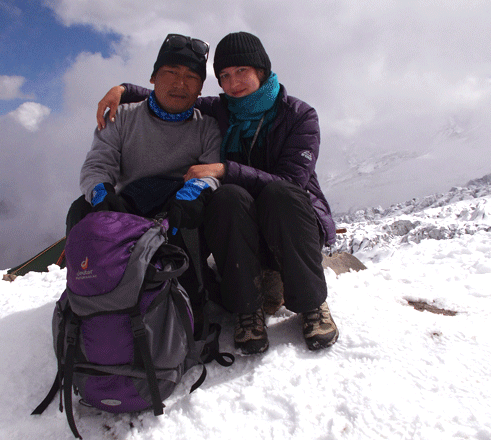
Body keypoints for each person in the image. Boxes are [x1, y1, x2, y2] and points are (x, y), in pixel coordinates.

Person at [96, 32, 339, 355]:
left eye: (241, 71)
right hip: (240, 228)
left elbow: (294, 180)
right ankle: (247, 310)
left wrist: (224, 169)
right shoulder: (220, 110)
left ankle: (312, 303)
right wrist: (123, 90)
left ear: (261, 71)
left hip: (289, 223)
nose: (233, 82)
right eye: (224, 75)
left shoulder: (299, 115)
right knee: (227, 197)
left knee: (280, 193)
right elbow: (175, 96)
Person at [67, 33, 222, 312]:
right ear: (152, 78)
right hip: (130, 203)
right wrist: (102, 193)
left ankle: (189, 300)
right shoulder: (121, 116)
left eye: (191, 77)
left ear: (200, 89)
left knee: (195, 213)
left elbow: (211, 169)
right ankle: (94, 299)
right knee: (81, 211)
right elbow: (99, 163)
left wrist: (193, 192)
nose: (179, 83)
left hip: (177, 205)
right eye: (170, 72)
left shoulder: (207, 127)